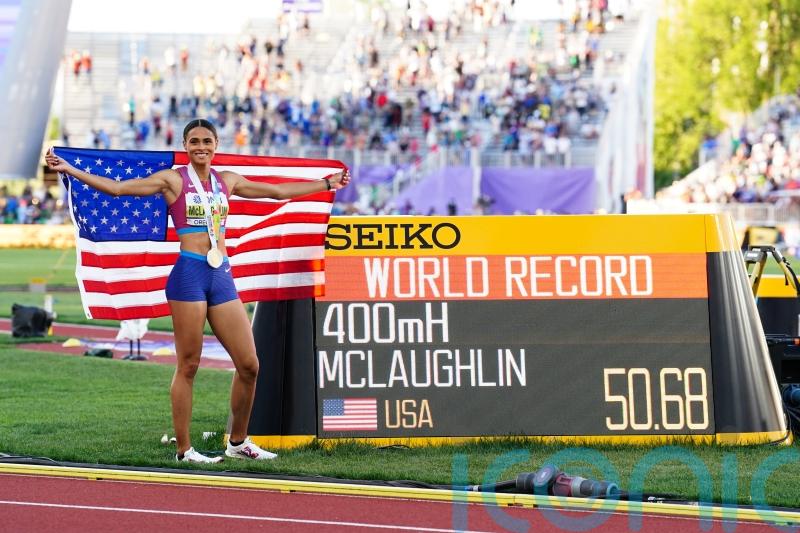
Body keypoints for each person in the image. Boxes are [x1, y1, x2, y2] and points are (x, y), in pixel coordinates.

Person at [45, 118, 350, 463]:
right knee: (188, 365)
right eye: (194, 141)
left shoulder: (227, 180)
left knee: (249, 365)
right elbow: (118, 188)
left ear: (216, 145)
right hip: (189, 276)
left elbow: (276, 192)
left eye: (207, 141)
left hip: (221, 275)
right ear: (185, 146)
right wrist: (70, 169)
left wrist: (327, 183)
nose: (201, 147)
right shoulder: (173, 179)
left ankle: (238, 443)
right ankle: (184, 449)